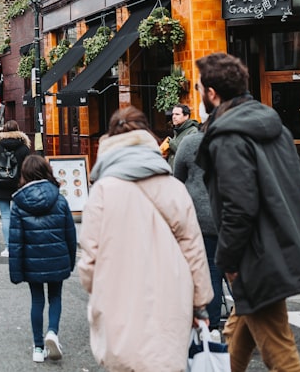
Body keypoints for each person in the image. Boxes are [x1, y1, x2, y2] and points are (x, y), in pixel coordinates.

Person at [194, 52, 300, 371]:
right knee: (236, 335)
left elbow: (239, 207)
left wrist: (227, 259)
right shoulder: (272, 125)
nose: (199, 95)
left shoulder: (228, 137)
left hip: (256, 257)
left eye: (199, 89)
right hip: (278, 245)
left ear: (212, 93)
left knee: (281, 353)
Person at [78, 106, 212, 371]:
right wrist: (200, 305)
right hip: (171, 297)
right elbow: (193, 250)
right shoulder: (173, 188)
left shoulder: (103, 190)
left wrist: (99, 287)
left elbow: (89, 260)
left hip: (117, 299)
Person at [8, 154, 77, 363]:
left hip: (32, 260)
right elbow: (70, 234)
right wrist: (70, 260)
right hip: (57, 257)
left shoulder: (19, 202)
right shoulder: (60, 197)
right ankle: (52, 333)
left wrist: (16, 271)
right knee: (55, 297)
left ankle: (38, 348)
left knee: (37, 300)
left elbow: (15, 241)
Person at [173, 129, 225, 340]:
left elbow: (178, 177)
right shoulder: (236, 140)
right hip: (235, 213)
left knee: (211, 268)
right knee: (239, 271)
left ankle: (212, 325)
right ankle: (248, 322)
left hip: (202, 215)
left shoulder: (190, 142)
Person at [0, 120, 33, 257]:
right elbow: (29, 167)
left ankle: (8, 248)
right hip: (20, 185)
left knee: (5, 217)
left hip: (1, 185)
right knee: (19, 217)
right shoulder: (24, 148)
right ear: (18, 130)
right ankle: (19, 246)